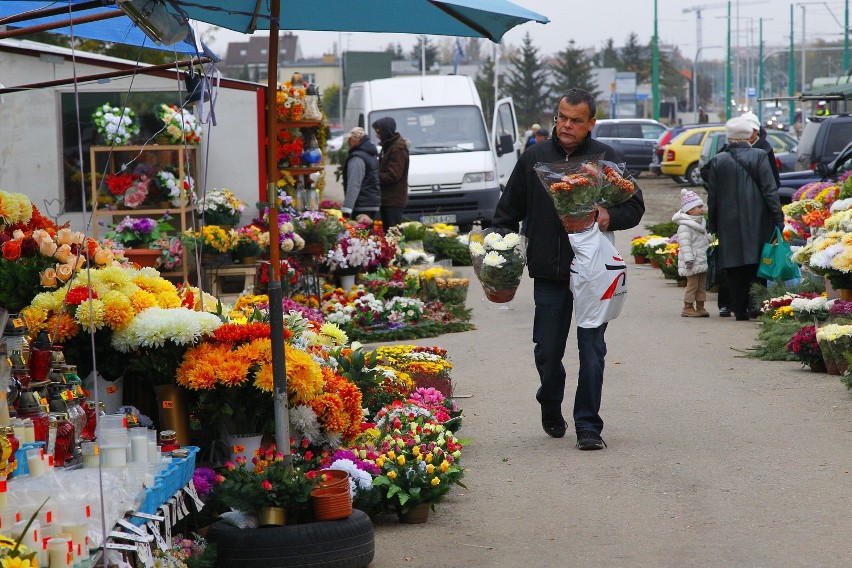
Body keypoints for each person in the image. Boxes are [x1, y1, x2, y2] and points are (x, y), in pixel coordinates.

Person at [492, 88, 645, 451]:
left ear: (591, 123)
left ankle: (588, 425)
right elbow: (506, 214)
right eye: (562, 117)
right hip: (548, 270)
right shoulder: (533, 157)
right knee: (547, 350)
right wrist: (499, 254)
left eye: (576, 120)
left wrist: (609, 215)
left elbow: (634, 206)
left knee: (592, 349)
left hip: (594, 272)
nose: (567, 125)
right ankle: (550, 399)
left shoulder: (607, 159)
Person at [706, 116, 783, 321]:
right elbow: (770, 190)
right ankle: (755, 306)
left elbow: (712, 196)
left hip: (727, 220)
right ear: (749, 136)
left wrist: (711, 222)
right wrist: (778, 217)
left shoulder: (718, 159)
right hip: (759, 219)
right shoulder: (759, 155)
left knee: (733, 265)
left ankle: (738, 309)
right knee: (758, 262)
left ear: (729, 137)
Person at [673, 188, 710, 318]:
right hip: (692, 261)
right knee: (692, 285)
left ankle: (700, 306)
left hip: (701, 259)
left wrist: (710, 240)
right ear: (689, 210)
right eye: (698, 207)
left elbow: (703, 239)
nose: (702, 209)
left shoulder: (700, 222)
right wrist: (688, 259)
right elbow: (685, 244)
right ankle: (687, 306)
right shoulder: (685, 226)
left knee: (701, 285)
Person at [371, 117, 410, 229]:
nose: (377, 135)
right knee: (388, 233)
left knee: (393, 233)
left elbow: (393, 175)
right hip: (386, 198)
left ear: (385, 131)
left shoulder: (398, 148)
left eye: (378, 132)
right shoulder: (388, 146)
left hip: (394, 199)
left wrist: (374, 178)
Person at [341, 127, 380, 220]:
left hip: (361, 206)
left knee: (359, 233)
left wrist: (347, 208)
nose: (348, 142)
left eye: (350, 139)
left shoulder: (357, 158)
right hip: (372, 203)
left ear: (356, 139)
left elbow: (354, 184)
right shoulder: (371, 154)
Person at [741, 112, 780, 188]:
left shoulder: (766, 148)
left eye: (754, 130)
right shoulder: (731, 149)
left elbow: (774, 177)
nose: (751, 133)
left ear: (758, 131)